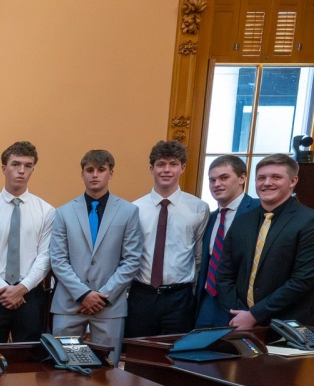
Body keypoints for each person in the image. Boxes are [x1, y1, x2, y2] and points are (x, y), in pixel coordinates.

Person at [49, 150, 144, 362]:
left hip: (109, 304)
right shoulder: (64, 212)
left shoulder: (128, 212)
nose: (95, 175)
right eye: (89, 170)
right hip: (69, 303)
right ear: (81, 173)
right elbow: (58, 260)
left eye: (101, 170)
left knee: (107, 371)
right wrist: (83, 294)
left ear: (111, 173)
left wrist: (102, 295)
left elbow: (131, 260)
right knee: (66, 367)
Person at [214, 153, 314, 330]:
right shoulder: (242, 221)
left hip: (287, 327)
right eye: (261, 178)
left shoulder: (308, 221)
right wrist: (239, 313)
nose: (267, 183)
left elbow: (302, 280)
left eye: (276, 177)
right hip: (239, 322)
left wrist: (255, 314)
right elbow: (224, 275)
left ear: (293, 181)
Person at [0, 141, 55, 343]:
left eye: (28, 166)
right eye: (15, 164)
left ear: (33, 169)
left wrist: (22, 288)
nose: (21, 171)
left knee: (28, 361)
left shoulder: (46, 211)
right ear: (4, 168)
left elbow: (45, 256)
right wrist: (3, 289)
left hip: (31, 294)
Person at [125, 141, 209, 337]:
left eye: (173, 164)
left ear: (183, 167)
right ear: (151, 169)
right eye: (161, 164)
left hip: (179, 297)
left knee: (175, 357)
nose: (166, 170)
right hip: (142, 295)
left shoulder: (199, 208)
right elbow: (128, 255)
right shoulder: (134, 209)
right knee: (140, 357)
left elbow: (198, 256)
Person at [195, 154, 259, 328]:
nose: (217, 184)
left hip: (244, 305)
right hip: (208, 300)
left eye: (224, 178)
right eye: (212, 180)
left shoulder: (259, 211)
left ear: (242, 178)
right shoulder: (210, 217)